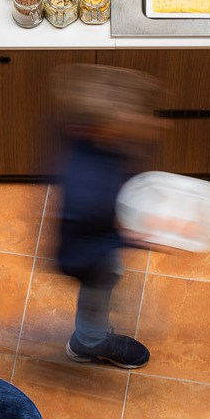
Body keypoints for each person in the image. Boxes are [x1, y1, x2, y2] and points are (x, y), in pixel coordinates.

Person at [53, 64, 160, 369]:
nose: (138, 126)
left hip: (94, 238)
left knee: (108, 278)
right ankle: (88, 342)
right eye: (128, 124)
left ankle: (90, 332)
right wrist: (138, 237)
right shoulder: (89, 187)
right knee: (99, 288)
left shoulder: (94, 144)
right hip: (85, 257)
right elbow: (92, 231)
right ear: (103, 128)